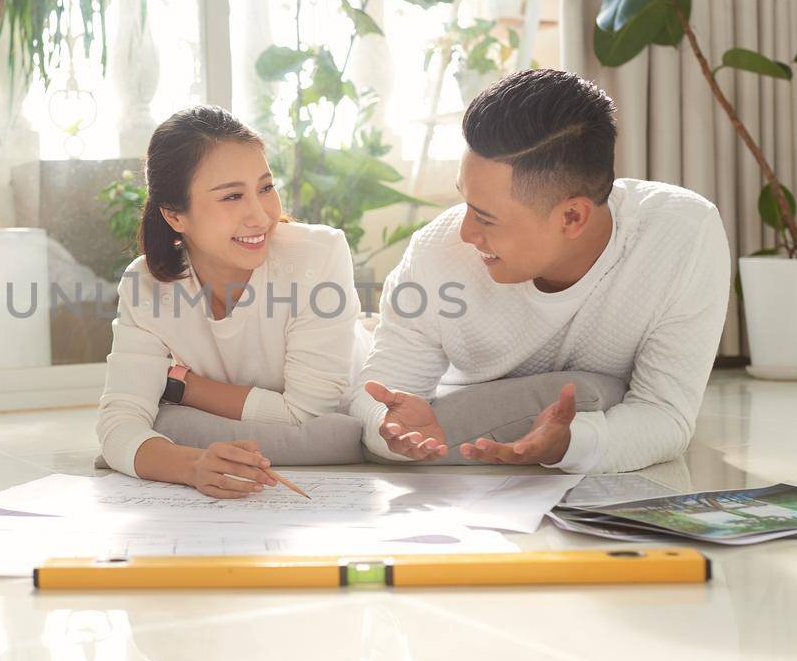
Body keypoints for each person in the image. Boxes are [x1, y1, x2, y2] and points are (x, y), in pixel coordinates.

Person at [351, 68, 731, 474]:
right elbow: (378, 398)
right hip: (463, 415)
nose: (465, 232)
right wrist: (387, 426)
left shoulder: (681, 236)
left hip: (578, 430)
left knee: (601, 394)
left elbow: (665, 415)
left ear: (572, 216)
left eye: (485, 217)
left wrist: (569, 445)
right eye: (465, 203)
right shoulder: (436, 252)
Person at [97, 105, 362, 497]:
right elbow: (118, 422)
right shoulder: (145, 285)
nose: (260, 215)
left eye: (266, 188)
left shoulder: (318, 254)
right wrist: (192, 465)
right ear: (175, 216)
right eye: (232, 196)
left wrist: (182, 387)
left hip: (355, 371)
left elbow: (308, 417)